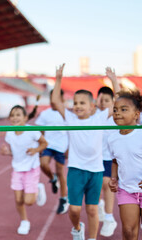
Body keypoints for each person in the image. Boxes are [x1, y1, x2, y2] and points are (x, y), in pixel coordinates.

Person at [51, 63, 111, 240]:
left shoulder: (99, 118)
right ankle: (77, 228)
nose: (77, 106)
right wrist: (59, 79)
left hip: (95, 171)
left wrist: (113, 81)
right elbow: (55, 101)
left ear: (92, 106)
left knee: (92, 209)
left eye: (82, 103)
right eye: (75, 103)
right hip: (76, 170)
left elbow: (115, 102)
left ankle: (92, 238)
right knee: (75, 210)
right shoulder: (70, 118)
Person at [0, 105, 48, 235]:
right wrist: (7, 152)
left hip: (31, 168)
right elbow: (16, 151)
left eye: (18, 115)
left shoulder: (32, 131)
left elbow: (44, 143)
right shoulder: (9, 133)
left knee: (29, 201)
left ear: (25, 118)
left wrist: (35, 150)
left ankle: (38, 188)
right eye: (13, 115)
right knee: (18, 200)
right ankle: (24, 221)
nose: (15, 118)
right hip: (17, 169)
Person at [108, 90, 142, 240]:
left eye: (123, 110)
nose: (117, 113)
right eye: (115, 110)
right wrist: (113, 178)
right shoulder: (112, 138)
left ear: (136, 114)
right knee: (128, 231)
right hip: (127, 189)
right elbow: (116, 160)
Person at [95, 67, 120, 237]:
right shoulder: (95, 116)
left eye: (106, 100)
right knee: (96, 187)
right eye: (100, 100)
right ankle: (101, 207)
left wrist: (113, 80)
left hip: (112, 158)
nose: (103, 103)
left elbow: (120, 98)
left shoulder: (117, 117)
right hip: (95, 158)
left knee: (107, 184)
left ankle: (110, 217)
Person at [35, 89, 69, 214]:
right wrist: (40, 144)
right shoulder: (45, 114)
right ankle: (52, 178)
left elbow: (71, 132)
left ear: (62, 99)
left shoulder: (65, 114)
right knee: (43, 164)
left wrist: (68, 148)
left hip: (61, 146)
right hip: (48, 145)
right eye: (51, 98)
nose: (53, 101)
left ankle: (63, 199)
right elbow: (40, 131)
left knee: (61, 172)